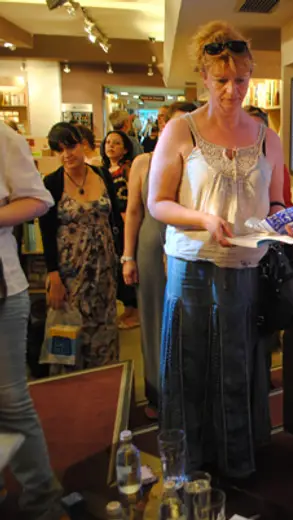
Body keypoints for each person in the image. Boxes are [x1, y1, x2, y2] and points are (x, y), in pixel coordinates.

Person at [147, 21, 288, 478]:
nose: (233, 90)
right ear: (204, 77)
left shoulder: (268, 138)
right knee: (190, 364)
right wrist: (203, 219)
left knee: (238, 363)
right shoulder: (180, 130)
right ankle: (189, 461)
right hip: (192, 266)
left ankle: (236, 457)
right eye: (222, 79)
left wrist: (283, 223)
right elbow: (157, 203)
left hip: (246, 266)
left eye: (241, 80)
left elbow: (277, 202)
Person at [0, 121, 70, 520]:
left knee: (10, 399)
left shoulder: (3, 138)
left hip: (3, 288)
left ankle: (42, 500)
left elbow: (38, 200)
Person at [122, 101, 198, 420]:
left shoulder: (200, 163)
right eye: (172, 123)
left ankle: (189, 394)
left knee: (190, 321)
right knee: (154, 320)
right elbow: (133, 212)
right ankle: (157, 393)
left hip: (189, 250)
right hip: (151, 250)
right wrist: (128, 256)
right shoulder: (143, 162)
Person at [39, 122, 124, 373]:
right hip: (69, 272)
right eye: (59, 150)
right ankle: (64, 385)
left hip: (104, 270)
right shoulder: (52, 183)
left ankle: (104, 381)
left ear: (83, 145)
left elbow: (115, 221)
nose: (67, 154)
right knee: (66, 329)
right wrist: (53, 274)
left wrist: (123, 258)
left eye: (71, 147)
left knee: (103, 328)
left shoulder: (102, 175)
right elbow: (46, 231)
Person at [101, 130, 139, 329]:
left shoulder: (128, 169)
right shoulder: (101, 170)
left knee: (128, 263)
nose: (111, 146)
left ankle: (135, 310)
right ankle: (127, 308)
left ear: (125, 149)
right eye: (108, 142)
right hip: (111, 224)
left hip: (126, 222)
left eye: (116, 143)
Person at [245, 105, 293, 208]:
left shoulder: (277, 167)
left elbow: (285, 204)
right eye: (248, 129)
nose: (255, 137)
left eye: (260, 132)